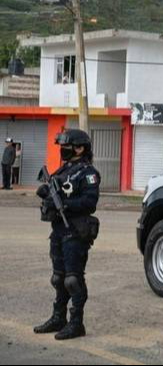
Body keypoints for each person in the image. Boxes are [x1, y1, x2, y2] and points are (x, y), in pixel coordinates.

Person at [34, 129, 100, 341]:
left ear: (80, 148)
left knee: (73, 279)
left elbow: (90, 203)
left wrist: (64, 204)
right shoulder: (64, 170)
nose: (63, 150)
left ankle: (76, 323)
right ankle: (58, 317)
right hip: (58, 230)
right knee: (58, 278)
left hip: (75, 230)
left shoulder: (88, 173)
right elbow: (56, 191)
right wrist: (46, 194)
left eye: (67, 146)